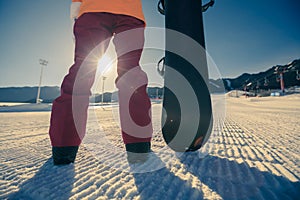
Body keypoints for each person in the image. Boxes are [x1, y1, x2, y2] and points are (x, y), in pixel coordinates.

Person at [49, 0, 153, 165]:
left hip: (93, 10)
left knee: (82, 72)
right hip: (130, 12)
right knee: (131, 75)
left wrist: (76, 14)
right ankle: (138, 145)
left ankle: (64, 146)